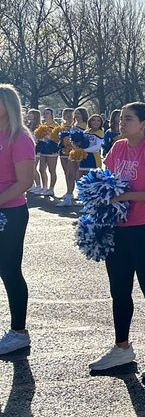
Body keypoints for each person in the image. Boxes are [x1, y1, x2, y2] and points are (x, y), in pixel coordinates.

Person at [88, 102, 145, 379]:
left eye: (128, 119)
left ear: (144, 124)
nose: (121, 123)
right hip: (119, 231)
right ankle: (122, 348)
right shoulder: (118, 147)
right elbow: (105, 180)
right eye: (121, 118)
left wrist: (124, 197)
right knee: (119, 292)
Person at [0, 85, 37, 355]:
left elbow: (25, 181)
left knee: (9, 270)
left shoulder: (20, 138)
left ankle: (19, 332)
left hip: (10, 212)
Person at [56, 106, 88, 207]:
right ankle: (69, 196)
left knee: (79, 175)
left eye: (79, 114)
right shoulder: (74, 125)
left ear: (83, 115)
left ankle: (82, 196)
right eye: (76, 114)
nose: (77, 116)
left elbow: (86, 140)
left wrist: (79, 143)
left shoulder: (86, 125)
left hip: (81, 152)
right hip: (72, 152)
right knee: (70, 173)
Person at [37, 108, 60, 197]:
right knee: (41, 169)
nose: (45, 115)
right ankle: (44, 187)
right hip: (43, 149)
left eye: (47, 113)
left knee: (52, 170)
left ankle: (51, 189)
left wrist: (48, 136)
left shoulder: (56, 126)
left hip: (52, 149)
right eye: (44, 113)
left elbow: (57, 139)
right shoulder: (42, 125)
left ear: (51, 115)